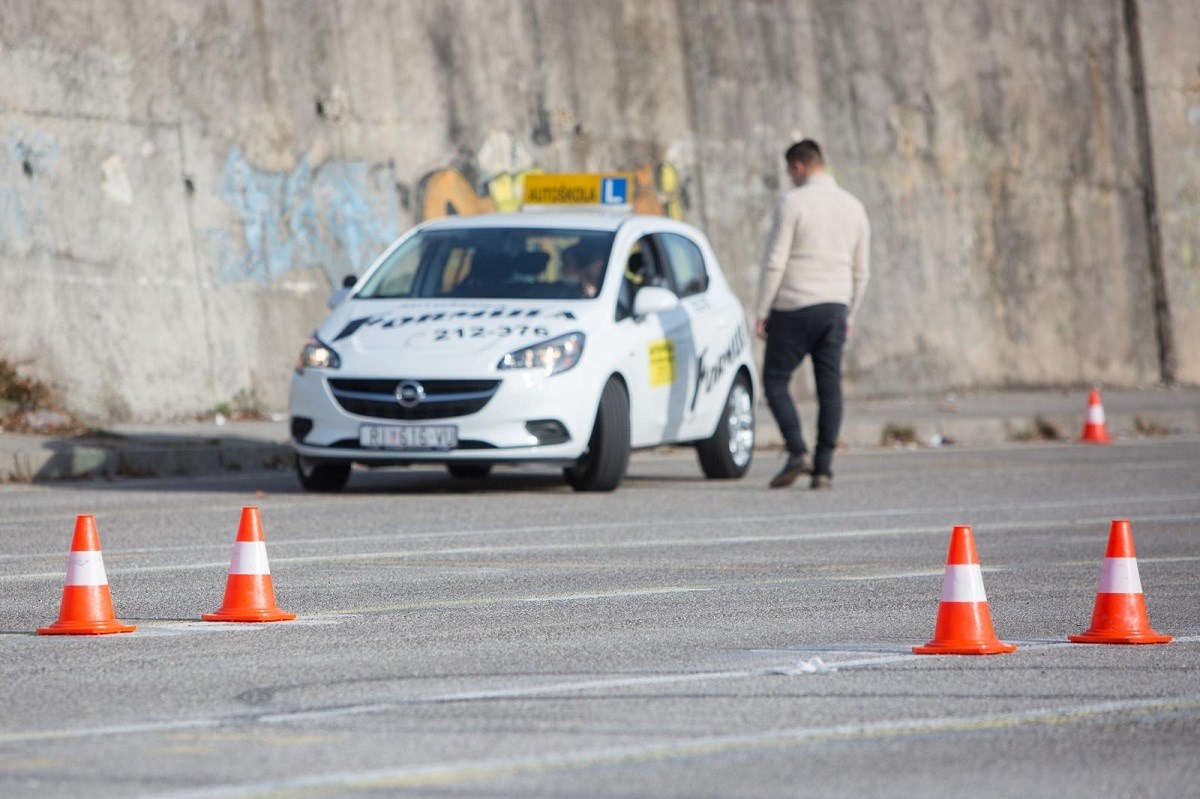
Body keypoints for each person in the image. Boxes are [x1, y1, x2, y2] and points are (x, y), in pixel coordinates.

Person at [755, 139, 870, 490]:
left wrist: (762, 310)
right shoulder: (854, 207)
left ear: (799, 166)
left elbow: (776, 261)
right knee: (829, 389)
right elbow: (861, 272)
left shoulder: (793, 202)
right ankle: (823, 469)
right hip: (835, 307)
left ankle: (797, 450)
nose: (791, 178)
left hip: (793, 304)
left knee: (775, 380)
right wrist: (849, 312)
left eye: (791, 171)